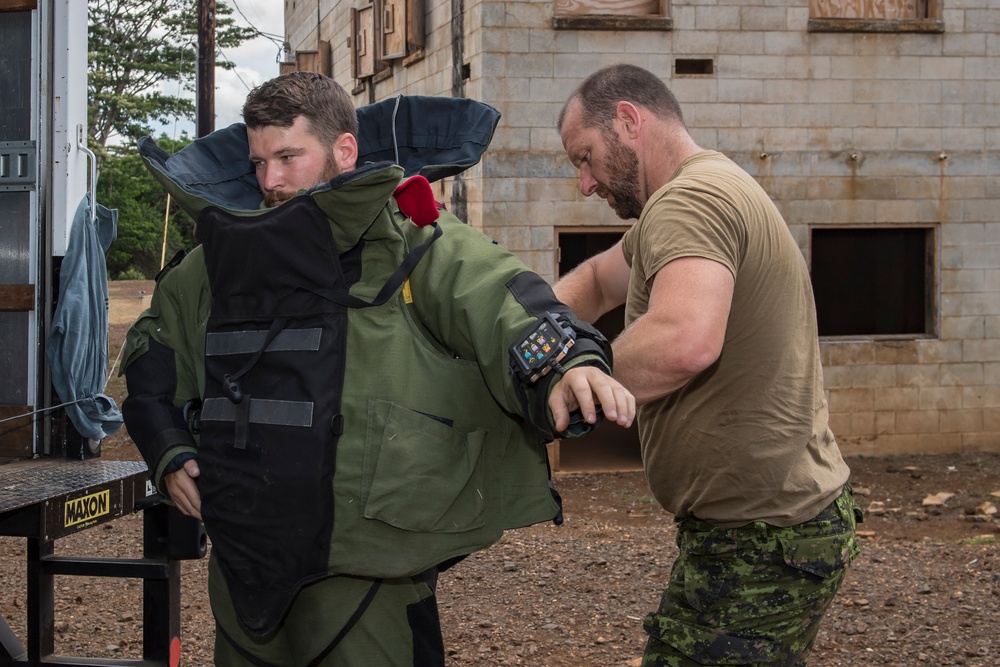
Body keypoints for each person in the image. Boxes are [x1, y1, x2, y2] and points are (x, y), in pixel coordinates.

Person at [121, 71, 635, 667]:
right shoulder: (215, 263)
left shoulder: (413, 241)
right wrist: (167, 448)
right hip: (242, 567)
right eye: (260, 161)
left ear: (344, 150)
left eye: (289, 156)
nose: (271, 181)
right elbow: (153, 357)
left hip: (370, 574)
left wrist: (569, 362)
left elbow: (501, 298)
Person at [554, 63, 860, 667]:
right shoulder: (697, 194)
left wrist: (564, 380)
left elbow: (683, 341)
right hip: (763, 528)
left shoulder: (692, 200)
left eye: (584, 157)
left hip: (764, 537)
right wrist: (519, 331)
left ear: (628, 120)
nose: (585, 184)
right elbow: (593, 279)